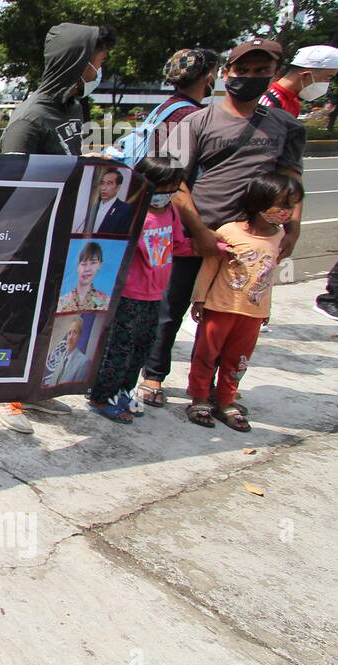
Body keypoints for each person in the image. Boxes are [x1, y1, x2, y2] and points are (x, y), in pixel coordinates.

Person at [139, 38, 306, 408]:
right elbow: (173, 182)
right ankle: (153, 375)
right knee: (171, 310)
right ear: (225, 74)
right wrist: (198, 231)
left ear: (274, 73)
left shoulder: (287, 127)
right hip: (195, 232)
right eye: (242, 70)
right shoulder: (197, 121)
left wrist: (291, 229)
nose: (249, 77)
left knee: (231, 318)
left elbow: (291, 182)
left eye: (260, 71)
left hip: (250, 241)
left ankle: (216, 388)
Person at [0, 22, 115, 433]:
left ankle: (33, 392)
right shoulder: (29, 119)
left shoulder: (73, 110)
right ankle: (1, 394)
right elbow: (13, 191)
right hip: (28, 242)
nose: (99, 71)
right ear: (76, 61)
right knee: (17, 319)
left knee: (50, 319)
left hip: (63, 237)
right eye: (96, 62)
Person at [186, 172, 304, 431]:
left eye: (291, 205)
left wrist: (266, 309)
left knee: (237, 359)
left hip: (252, 314)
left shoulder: (280, 238)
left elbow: (266, 277)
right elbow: (210, 267)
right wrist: (199, 299)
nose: (287, 211)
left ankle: (226, 400)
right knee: (206, 355)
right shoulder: (228, 232)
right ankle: (200, 398)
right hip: (220, 307)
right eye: (283, 204)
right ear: (259, 202)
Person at [86, 156, 190, 423]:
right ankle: (101, 395)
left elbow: (177, 244)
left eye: (171, 189)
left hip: (155, 294)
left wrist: (216, 247)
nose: (164, 195)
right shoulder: (131, 215)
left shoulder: (171, 213)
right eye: (160, 188)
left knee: (141, 348)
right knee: (118, 349)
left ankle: (122, 391)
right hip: (128, 294)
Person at [255, 44, 338, 324]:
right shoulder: (269, 103)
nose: (327, 84)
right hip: (258, 199)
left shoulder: (292, 102)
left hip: (276, 198)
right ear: (306, 76)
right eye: (327, 77)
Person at [74, 167, 132, 234]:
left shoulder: (124, 209)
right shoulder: (94, 206)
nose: (103, 188)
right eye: (102, 183)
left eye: (109, 183)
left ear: (118, 187)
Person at [57, 242, 112, 312]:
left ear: (100, 265)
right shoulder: (61, 302)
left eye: (93, 263)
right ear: (77, 266)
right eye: (83, 264)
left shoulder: (106, 302)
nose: (87, 269)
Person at [42, 317, 89, 387]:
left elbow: (74, 390)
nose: (70, 337)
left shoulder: (83, 362)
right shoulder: (60, 356)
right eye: (69, 333)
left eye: (75, 332)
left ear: (79, 336)